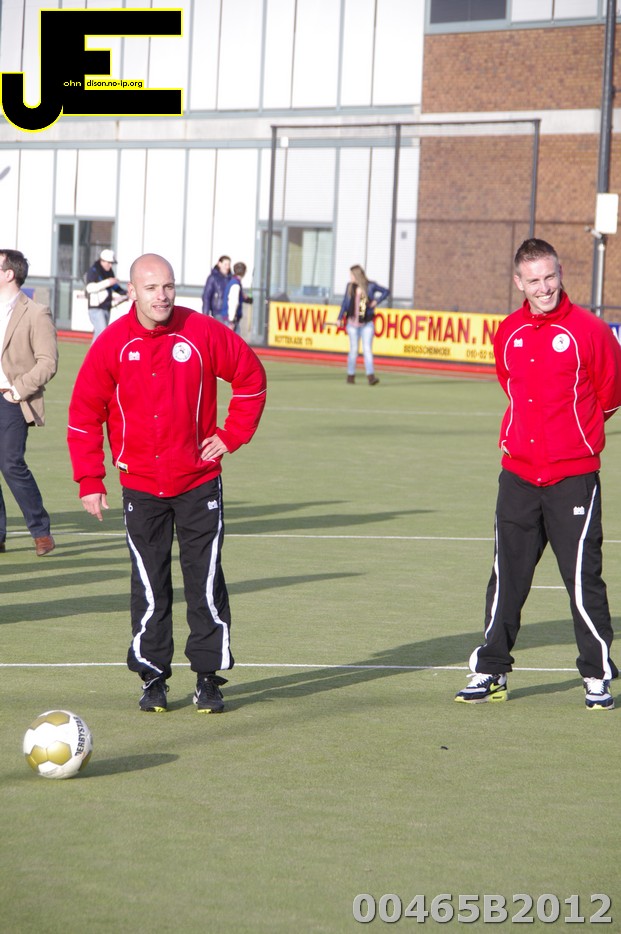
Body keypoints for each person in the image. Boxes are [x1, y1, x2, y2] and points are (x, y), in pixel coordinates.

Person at [67, 253, 267, 714]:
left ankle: (208, 678)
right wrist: (90, 479)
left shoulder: (201, 332)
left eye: (169, 286)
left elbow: (251, 378)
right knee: (149, 584)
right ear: (132, 291)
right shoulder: (113, 343)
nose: (162, 296)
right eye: (152, 288)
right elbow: (84, 414)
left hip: (199, 482)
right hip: (140, 486)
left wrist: (232, 434)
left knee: (205, 582)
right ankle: (153, 677)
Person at [455, 238, 621, 710]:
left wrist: (573, 438)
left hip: (573, 479)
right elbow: (511, 386)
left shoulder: (590, 331)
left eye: (550, 277)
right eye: (534, 280)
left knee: (583, 582)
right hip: (518, 477)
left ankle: (597, 675)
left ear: (560, 273)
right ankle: (491, 670)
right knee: (506, 580)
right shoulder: (508, 331)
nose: (544, 287)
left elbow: (610, 396)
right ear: (518, 282)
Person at [0, 249, 57, 556]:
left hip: (12, 399)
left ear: (9, 273)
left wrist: (17, 391)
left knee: (11, 464)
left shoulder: (36, 313)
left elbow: (48, 362)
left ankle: (40, 531)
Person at [337, 264, 389, 385]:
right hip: (352, 324)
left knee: (367, 350)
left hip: (367, 324)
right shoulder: (350, 287)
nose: (350, 277)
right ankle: (350, 375)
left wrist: (377, 301)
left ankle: (371, 377)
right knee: (353, 350)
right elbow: (345, 303)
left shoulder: (370, 286)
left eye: (351, 275)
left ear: (357, 275)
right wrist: (339, 318)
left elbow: (386, 291)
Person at [84, 249, 128, 342]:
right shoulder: (93, 271)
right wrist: (108, 282)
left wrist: (125, 293)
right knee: (102, 333)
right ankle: (95, 351)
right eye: (109, 263)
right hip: (96, 307)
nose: (110, 265)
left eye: (111, 263)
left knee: (100, 334)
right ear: (102, 261)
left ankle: (94, 351)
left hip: (106, 307)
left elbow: (114, 286)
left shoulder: (109, 272)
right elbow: (90, 288)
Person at [221, 261, 252, 333]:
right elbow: (233, 302)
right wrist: (231, 321)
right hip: (230, 320)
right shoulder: (236, 285)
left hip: (228, 318)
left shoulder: (233, 281)